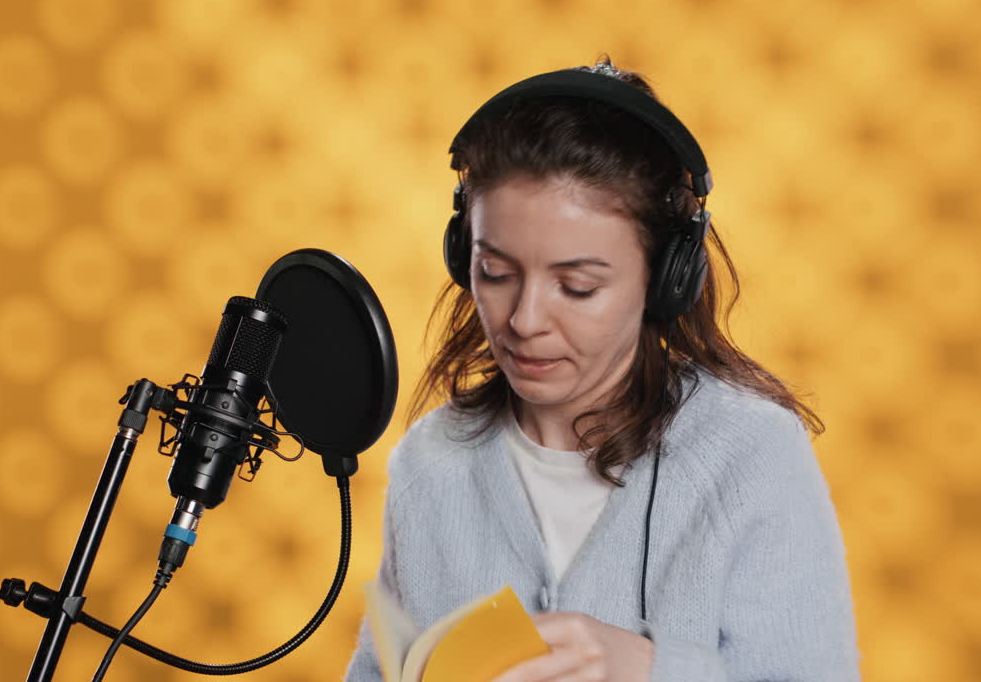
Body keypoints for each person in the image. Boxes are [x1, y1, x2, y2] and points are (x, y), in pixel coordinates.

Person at [344, 57, 859, 682]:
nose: (525, 319)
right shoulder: (430, 462)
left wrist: (650, 668)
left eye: (579, 286)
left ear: (665, 279)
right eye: (496, 273)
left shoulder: (752, 455)